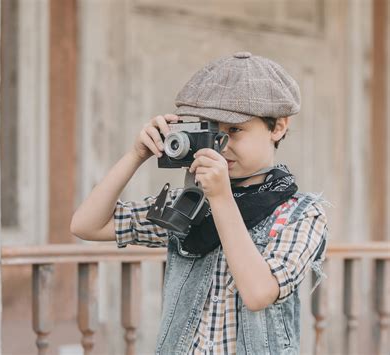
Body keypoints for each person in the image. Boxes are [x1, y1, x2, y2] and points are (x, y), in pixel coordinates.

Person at [70, 51, 328, 354]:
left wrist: (221, 197)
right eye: (211, 131)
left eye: (234, 130)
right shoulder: (190, 204)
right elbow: (86, 225)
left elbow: (259, 293)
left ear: (278, 127)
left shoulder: (300, 213)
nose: (221, 146)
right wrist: (137, 154)